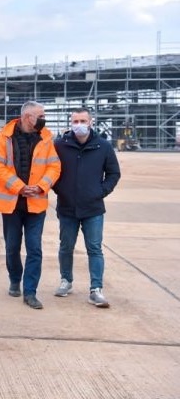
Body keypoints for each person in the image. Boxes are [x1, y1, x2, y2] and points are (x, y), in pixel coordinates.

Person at [0, 101, 61, 309]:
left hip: (36, 203)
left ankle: (30, 292)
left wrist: (41, 186)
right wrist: (19, 187)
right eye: (41, 115)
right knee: (12, 247)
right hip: (11, 204)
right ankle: (14, 278)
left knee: (34, 248)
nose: (44, 119)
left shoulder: (46, 138)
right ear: (28, 117)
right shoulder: (4, 137)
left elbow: (54, 166)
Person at [52, 107, 121, 307]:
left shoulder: (103, 146)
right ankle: (66, 281)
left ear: (91, 122)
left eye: (83, 121)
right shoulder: (60, 145)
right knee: (66, 246)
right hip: (67, 207)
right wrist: (60, 190)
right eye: (75, 121)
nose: (79, 125)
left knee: (94, 248)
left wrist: (100, 191)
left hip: (93, 208)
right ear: (70, 123)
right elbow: (51, 171)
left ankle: (96, 289)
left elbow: (114, 173)